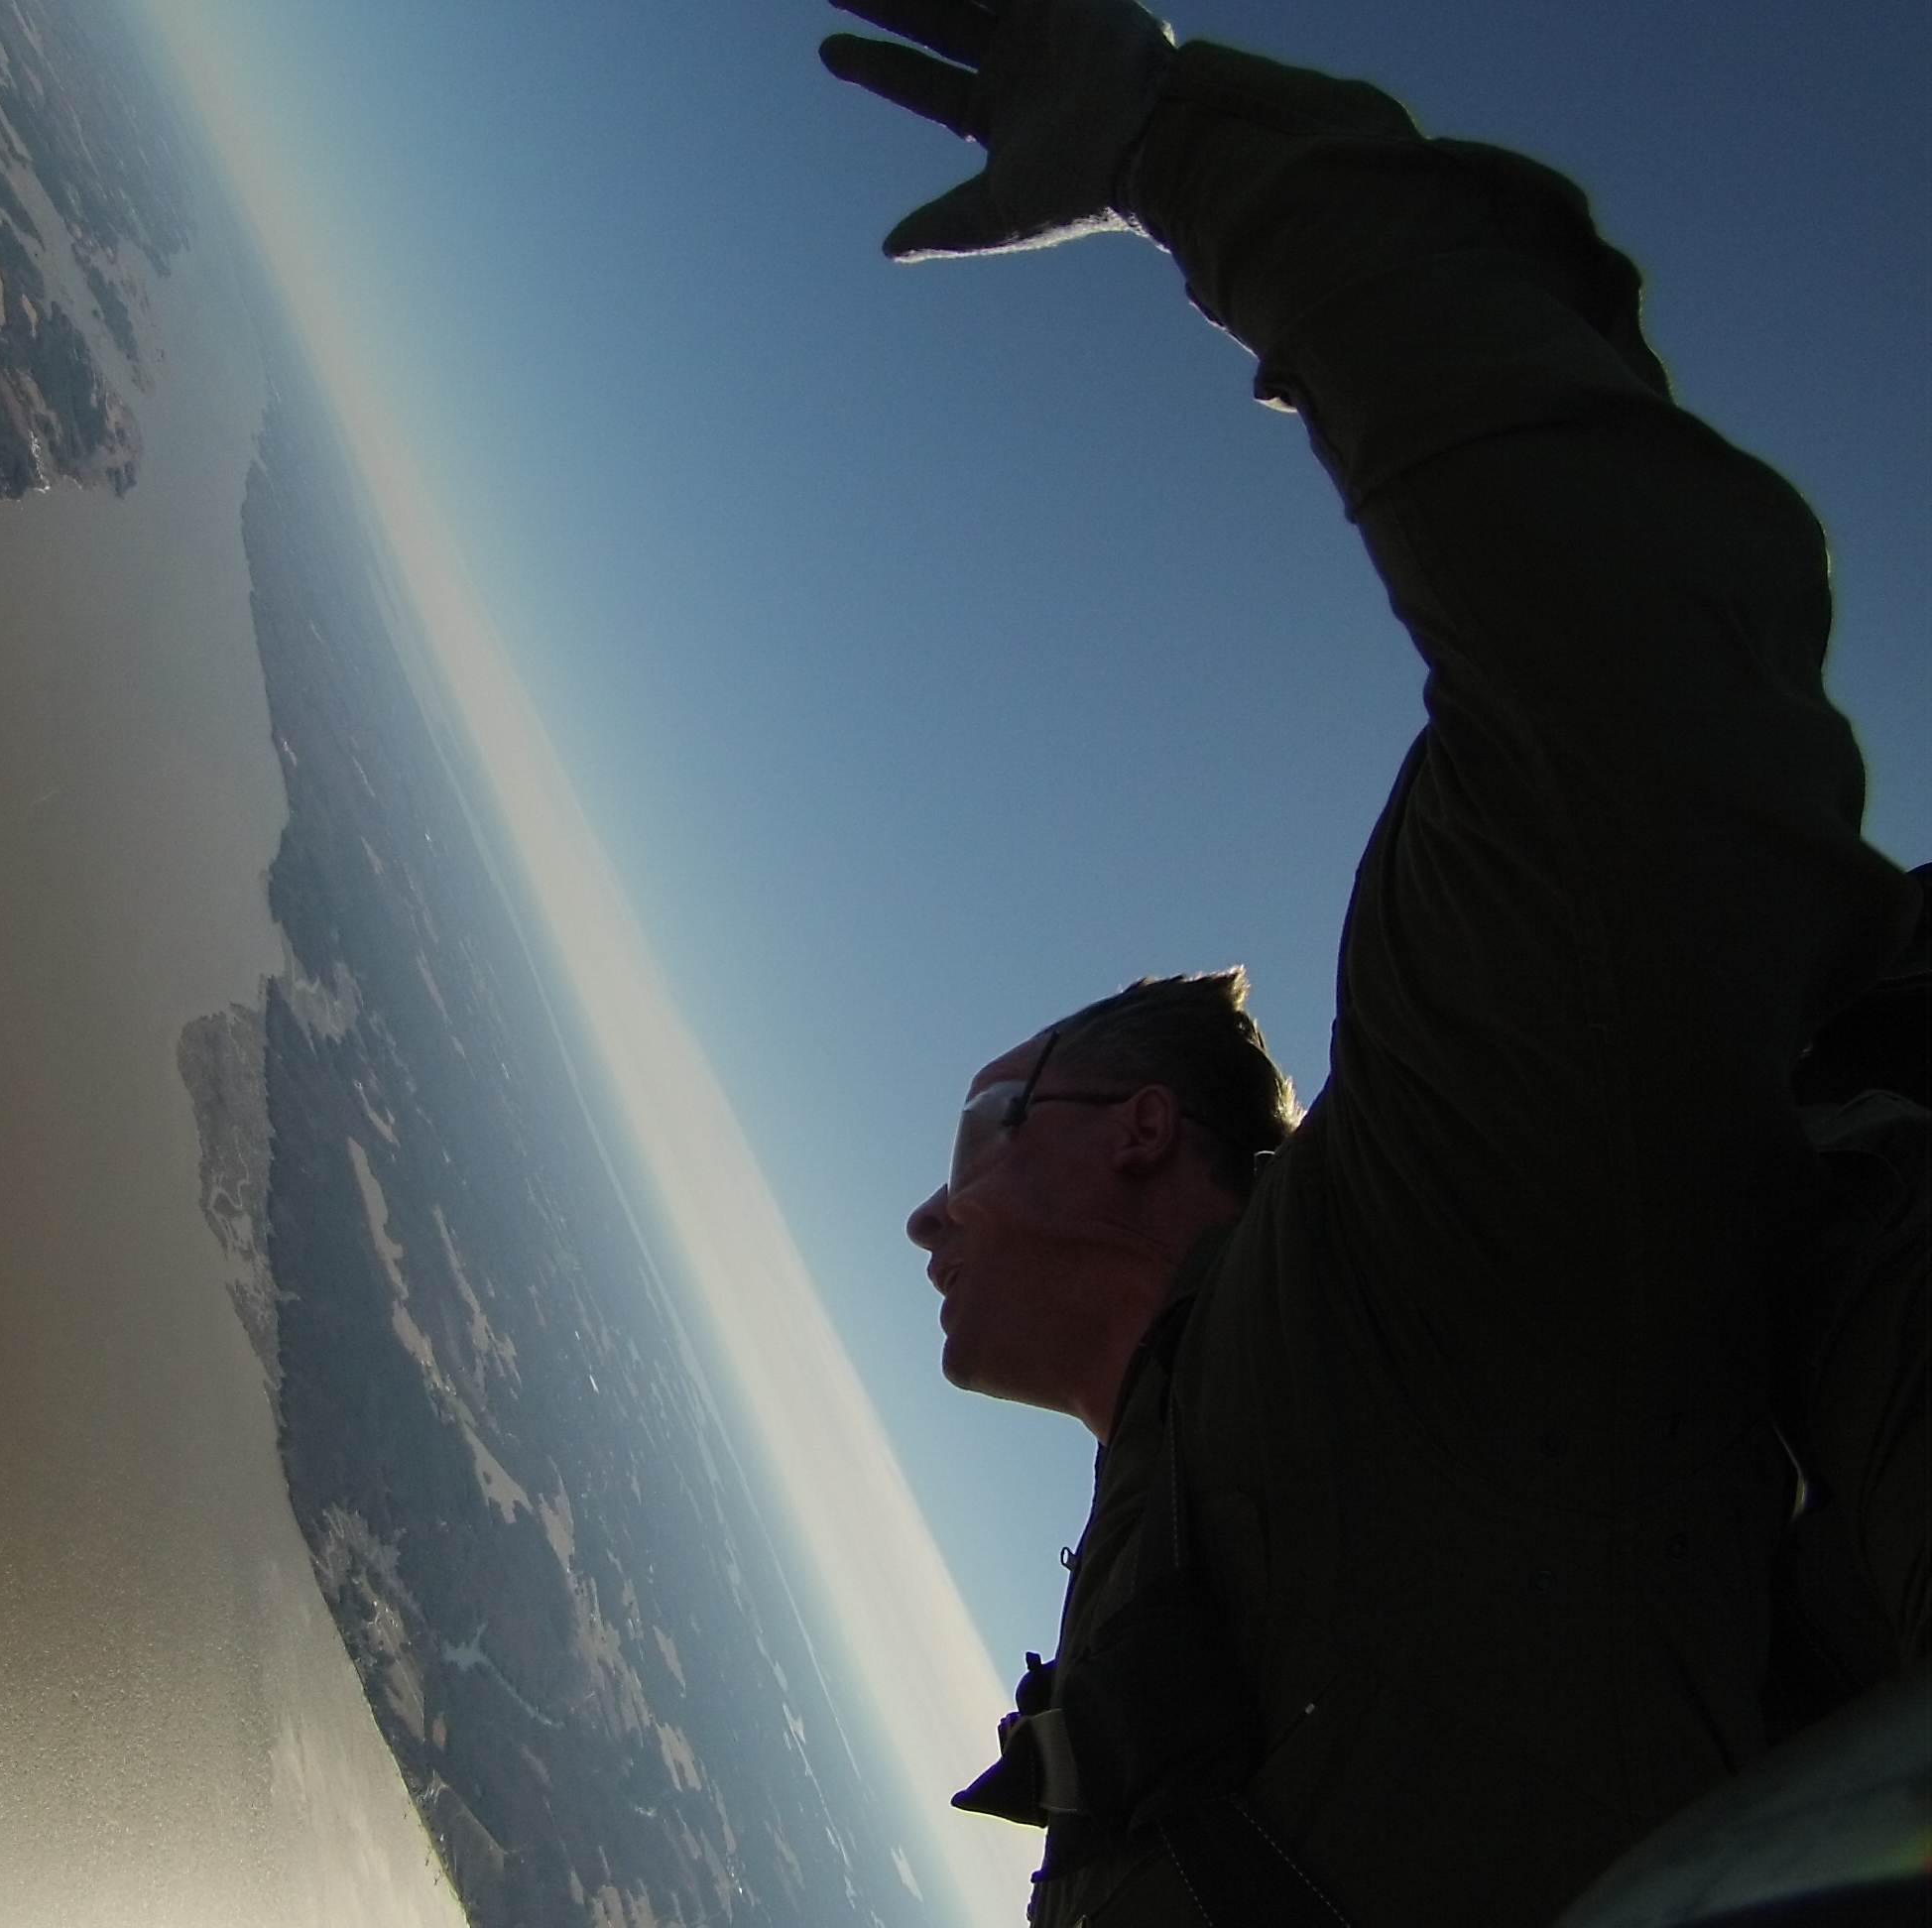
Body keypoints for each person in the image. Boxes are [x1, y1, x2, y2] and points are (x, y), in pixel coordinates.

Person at [818, 2, 1928, 1922]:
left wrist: (1187, 144)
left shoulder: (1425, 1245)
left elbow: (1637, 674)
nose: (929, 1210)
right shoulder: (1144, 1546)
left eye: (983, 1124)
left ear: (1140, 1132)